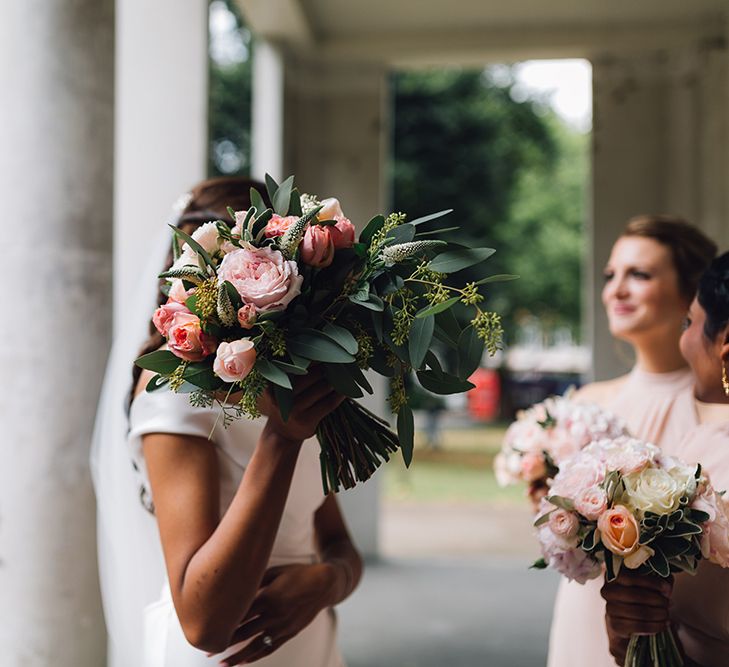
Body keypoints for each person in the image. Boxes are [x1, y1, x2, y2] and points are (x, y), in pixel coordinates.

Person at [91, 177, 362, 667]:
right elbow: (204, 622)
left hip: (309, 644)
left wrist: (328, 581)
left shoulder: (295, 388)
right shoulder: (172, 394)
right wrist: (282, 439)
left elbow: (339, 544)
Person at [546, 215, 717, 667]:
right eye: (611, 275)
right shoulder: (585, 403)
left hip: (662, 619)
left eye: (638, 274)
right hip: (584, 610)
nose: (616, 290)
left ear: (691, 291)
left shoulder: (713, 411)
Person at [602, 251, 729, 667]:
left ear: (725, 344)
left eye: (690, 323)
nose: (684, 340)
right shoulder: (700, 444)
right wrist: (630, 624)